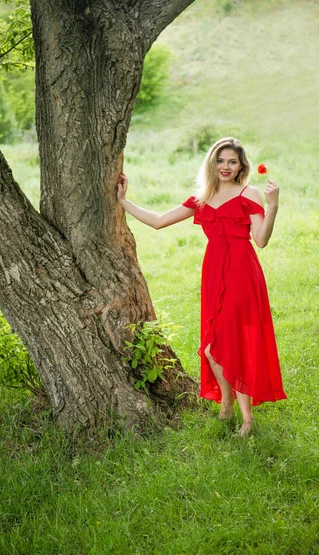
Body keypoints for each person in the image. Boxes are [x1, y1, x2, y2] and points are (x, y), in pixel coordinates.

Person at [117, 137, 287, 437]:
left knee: (233, 342)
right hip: (213, 272)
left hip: (242, 272)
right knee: (210, 347)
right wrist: (123, 202)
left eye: (232, 161)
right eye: (220, 160)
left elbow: (260, 240)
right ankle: (226, 402)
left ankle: (246, 419)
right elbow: (158, 221)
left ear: (241, 166)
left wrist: (272, 207)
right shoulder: (202, 197)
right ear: (212, 162)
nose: (225, 166)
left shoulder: (251, 193)